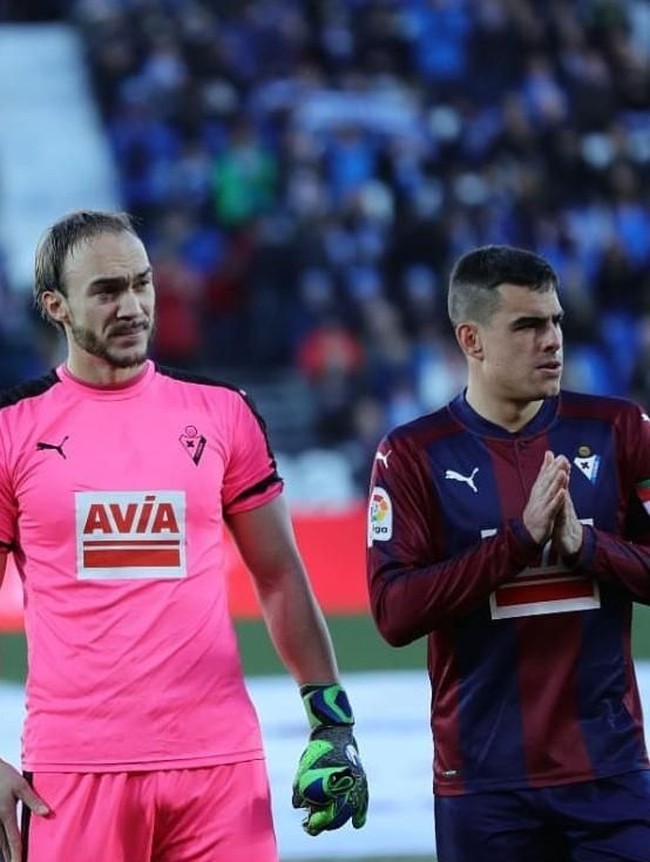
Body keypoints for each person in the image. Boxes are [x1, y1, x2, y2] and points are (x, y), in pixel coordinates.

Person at [0, 210, 368, 862]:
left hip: (219, 767)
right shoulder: (11, 429)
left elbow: (280, 577)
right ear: (55, 305)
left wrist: (333, 726)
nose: (135, 306)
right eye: (107, 291)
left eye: (142, 284)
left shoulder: (222, 413)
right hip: (73, 773)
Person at [366, 244, 650, 861]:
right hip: (484, 784)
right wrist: (519, 542)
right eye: (527, 325)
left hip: (611, 774)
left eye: (555, 322)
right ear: (472, 340)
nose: (551, 340)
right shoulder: (413, 454)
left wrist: (587, 546)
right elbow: (393, 612)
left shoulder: (621, 430)